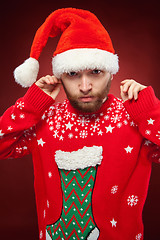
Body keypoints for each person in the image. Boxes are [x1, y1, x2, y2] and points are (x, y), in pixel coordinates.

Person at [0, 7, 160, 240]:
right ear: (60, 75)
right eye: (73, 74)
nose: (85, 86)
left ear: (112, 72)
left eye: (95, 72)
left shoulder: (134, 120)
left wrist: (150, 111)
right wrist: (31, 105)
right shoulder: (45, 119)